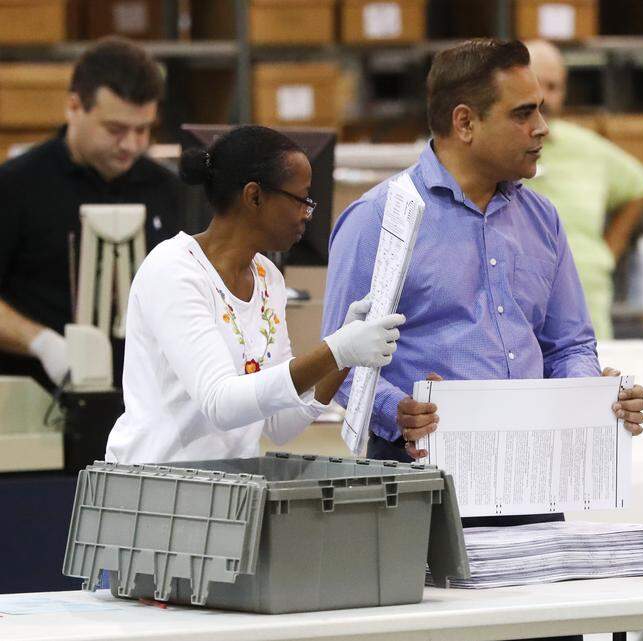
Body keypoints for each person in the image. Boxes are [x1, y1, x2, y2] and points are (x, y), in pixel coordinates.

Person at [322, 38, 643, 474]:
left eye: (540, 109)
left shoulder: (541, 219)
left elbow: (569, 344)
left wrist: (590, 394)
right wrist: (395, 410)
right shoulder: (377, 220)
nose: (542, 127)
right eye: (522, 113)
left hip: (535, 469)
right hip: (420, 471)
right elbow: (335, 363)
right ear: (465, 123)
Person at [104, 126, 404, 464]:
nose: (307, 214)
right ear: (254, 196)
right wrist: (334, 349)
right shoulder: (174, 270)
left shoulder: (267, 278)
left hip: (226, 491)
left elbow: (281, 423)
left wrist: (343, 359)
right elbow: (220, 403)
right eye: (301, 199)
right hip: (150, 488)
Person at [0, 37, 185, 392]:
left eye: (143, 130)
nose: (131, 144)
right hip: (36, 400)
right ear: (74, 107)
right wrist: (41, 343)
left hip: (141, 404)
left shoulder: (166, 191)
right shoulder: (16, 186)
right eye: (115, 130)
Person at [523, 40, 643, 340]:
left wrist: (608, 250)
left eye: (553, 86)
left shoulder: (587, 148)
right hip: (523, 305)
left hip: (587, 302)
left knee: (591, 376)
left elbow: (640, 184)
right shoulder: (498, 150)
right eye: (536, 83)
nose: (544, 96)